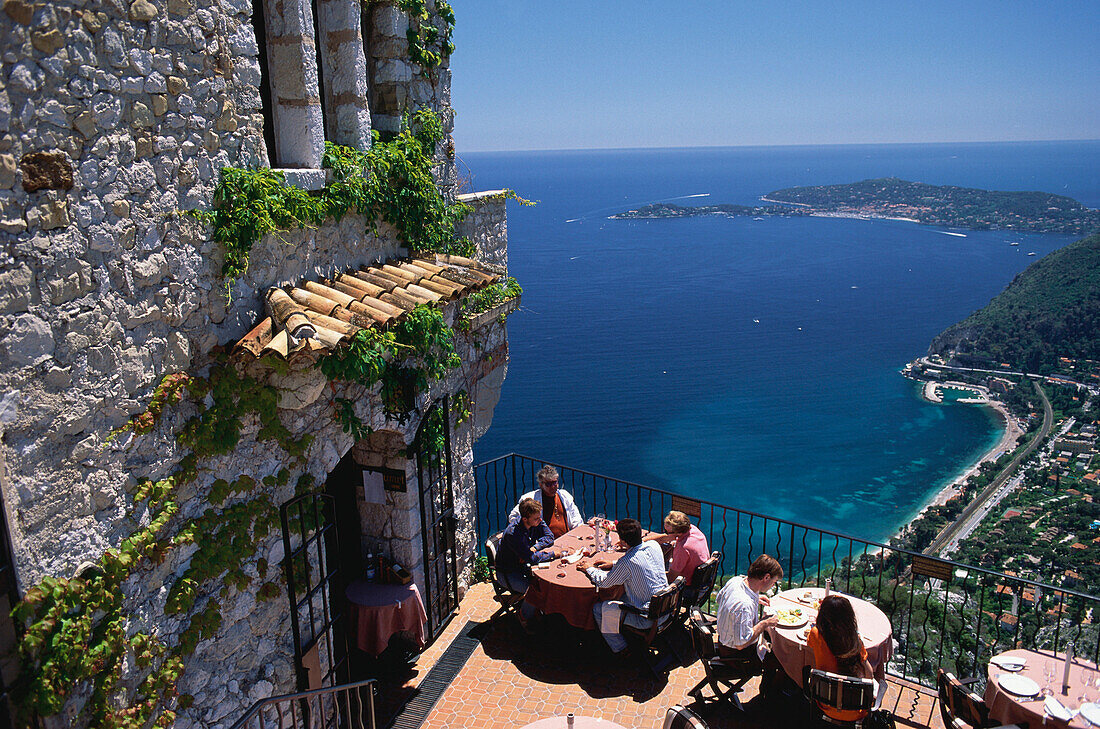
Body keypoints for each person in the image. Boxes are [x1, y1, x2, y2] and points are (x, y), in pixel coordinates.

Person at [576, 518, 668, 654]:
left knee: (599, 608)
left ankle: (620, 648)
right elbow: (640, 563)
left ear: (623, 542)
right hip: (666, 608)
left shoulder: (627, 562)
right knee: (621, 595)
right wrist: (614, 563)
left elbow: (604, 582)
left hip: (647, 618)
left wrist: (589, 568)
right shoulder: (653, 545)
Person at [714, 554, 784, 691]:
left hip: (723, 640)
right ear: (766, 577)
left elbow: (719, 599)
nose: (773, 585)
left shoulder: (735, 581)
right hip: (737, 657)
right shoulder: (744, 605)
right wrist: (764, 623)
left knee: (771, 642)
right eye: (774, 582)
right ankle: (769, 694)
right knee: (781, 658)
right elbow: (741, 644)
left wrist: (755, 598)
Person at [497, 497, 569, 624]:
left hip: (524, 566)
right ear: (525, 519)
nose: (540, 520)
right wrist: (554, 554)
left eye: (539, 517)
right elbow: (532, 558)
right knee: (536, 590)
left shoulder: (535, 520)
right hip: (508, 573)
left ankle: (540, 610)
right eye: (536, 518)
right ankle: (523, 616)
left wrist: (535, 547)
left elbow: (549, 537)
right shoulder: (514, 534)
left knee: (546, 584)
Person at [807, 595, 877, 723]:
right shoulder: (855, 642)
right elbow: (869, 674)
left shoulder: (816, 634)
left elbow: (810, 643)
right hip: (856, 711)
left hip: (825, 704)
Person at [508, 465, 583, 538]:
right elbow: (513, 517)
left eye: (554, 482)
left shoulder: (565, 496)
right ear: (541, 485)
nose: (553, 486)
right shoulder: (530, 499)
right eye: (548, 484)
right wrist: (529, 533)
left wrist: (578, 535)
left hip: (566, 539)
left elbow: (576, 519)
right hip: (544, 543)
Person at [644, 510, 710, 586]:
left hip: (686, 585)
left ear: (679, 533)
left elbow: (672, 577)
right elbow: (664, 537)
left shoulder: (683, 548)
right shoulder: (693, 529)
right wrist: (641, 541)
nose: (665, 533)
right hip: (701, 579)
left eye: (667, 531)